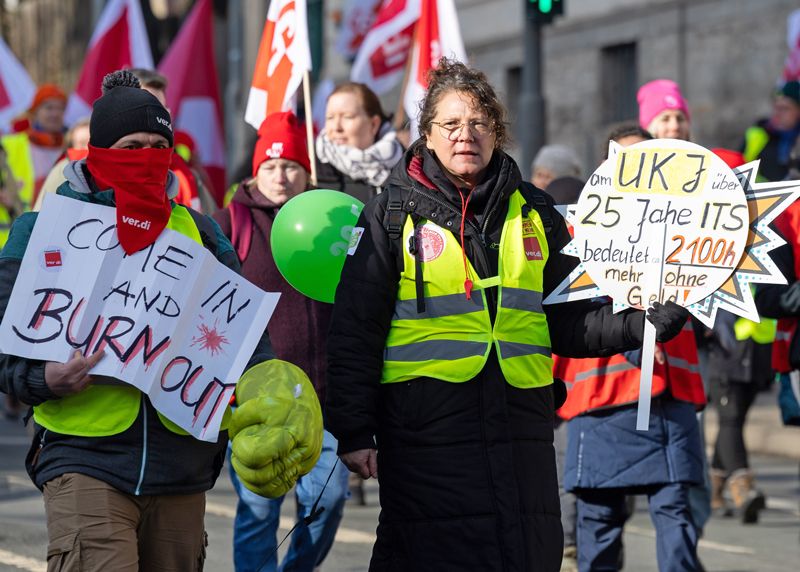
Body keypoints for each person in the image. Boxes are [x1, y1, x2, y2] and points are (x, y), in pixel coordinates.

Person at [325, 58, 690, 572]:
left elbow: (569, 319)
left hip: (522, 431)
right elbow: (354, 331)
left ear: (498, 132)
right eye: (450, 124)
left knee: (526, 554)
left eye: (478, 123)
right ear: (427, 135)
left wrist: (641, 325)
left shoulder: (537, 211)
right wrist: (355, 429)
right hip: (426, 435)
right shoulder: (389, 215)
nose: (464, 135)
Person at [0, 70, 274, 571]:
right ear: (98, 152)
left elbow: (249, 345)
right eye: (130, 146)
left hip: (182, 471)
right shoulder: (44, 232)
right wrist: (44, 378)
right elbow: (4, 345)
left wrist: (267, 407)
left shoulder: (202, 233)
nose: (146, 156)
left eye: (157, 145)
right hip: (84, 458)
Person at [213, 111, 349, 572]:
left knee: (327, 500)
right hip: (254, 397)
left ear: (306, 170)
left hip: (324, 395)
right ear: (255, 170)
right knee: (258, 512)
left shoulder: (330, 216)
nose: (280, 175)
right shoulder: (230, 222)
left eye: (290, 165)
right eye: (269, 166)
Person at [639, 79, 713, 542]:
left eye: (680, 118)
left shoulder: (711, 183)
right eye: (664, 118)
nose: (674, 125)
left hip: (687, 351)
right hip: (632, 354)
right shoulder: (623, 186)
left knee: (685, 491)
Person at [316, 82, 404, 204]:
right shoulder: (313, 172)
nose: (336, 127)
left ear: (374, 124)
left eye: (347, 117)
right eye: (330, 117)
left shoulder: (406, 169)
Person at [0, 85, 67, 235]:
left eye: (60, 108)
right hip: (10, 240)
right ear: (34, 112)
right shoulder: (10, 144)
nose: (55, 114)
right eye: (49, 108)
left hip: (53, 233)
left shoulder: (71, 147)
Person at [742, 80, 800, 182]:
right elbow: (736, 167)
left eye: (785, 108)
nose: (778, 113)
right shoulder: (758, 134)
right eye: (776, 107)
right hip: (757, 196)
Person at [33, 118, 91, 211]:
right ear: (72, 146)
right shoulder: (62, 167)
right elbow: (41, 209)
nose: (87, 148)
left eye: (90, 142)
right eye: (82, 143)